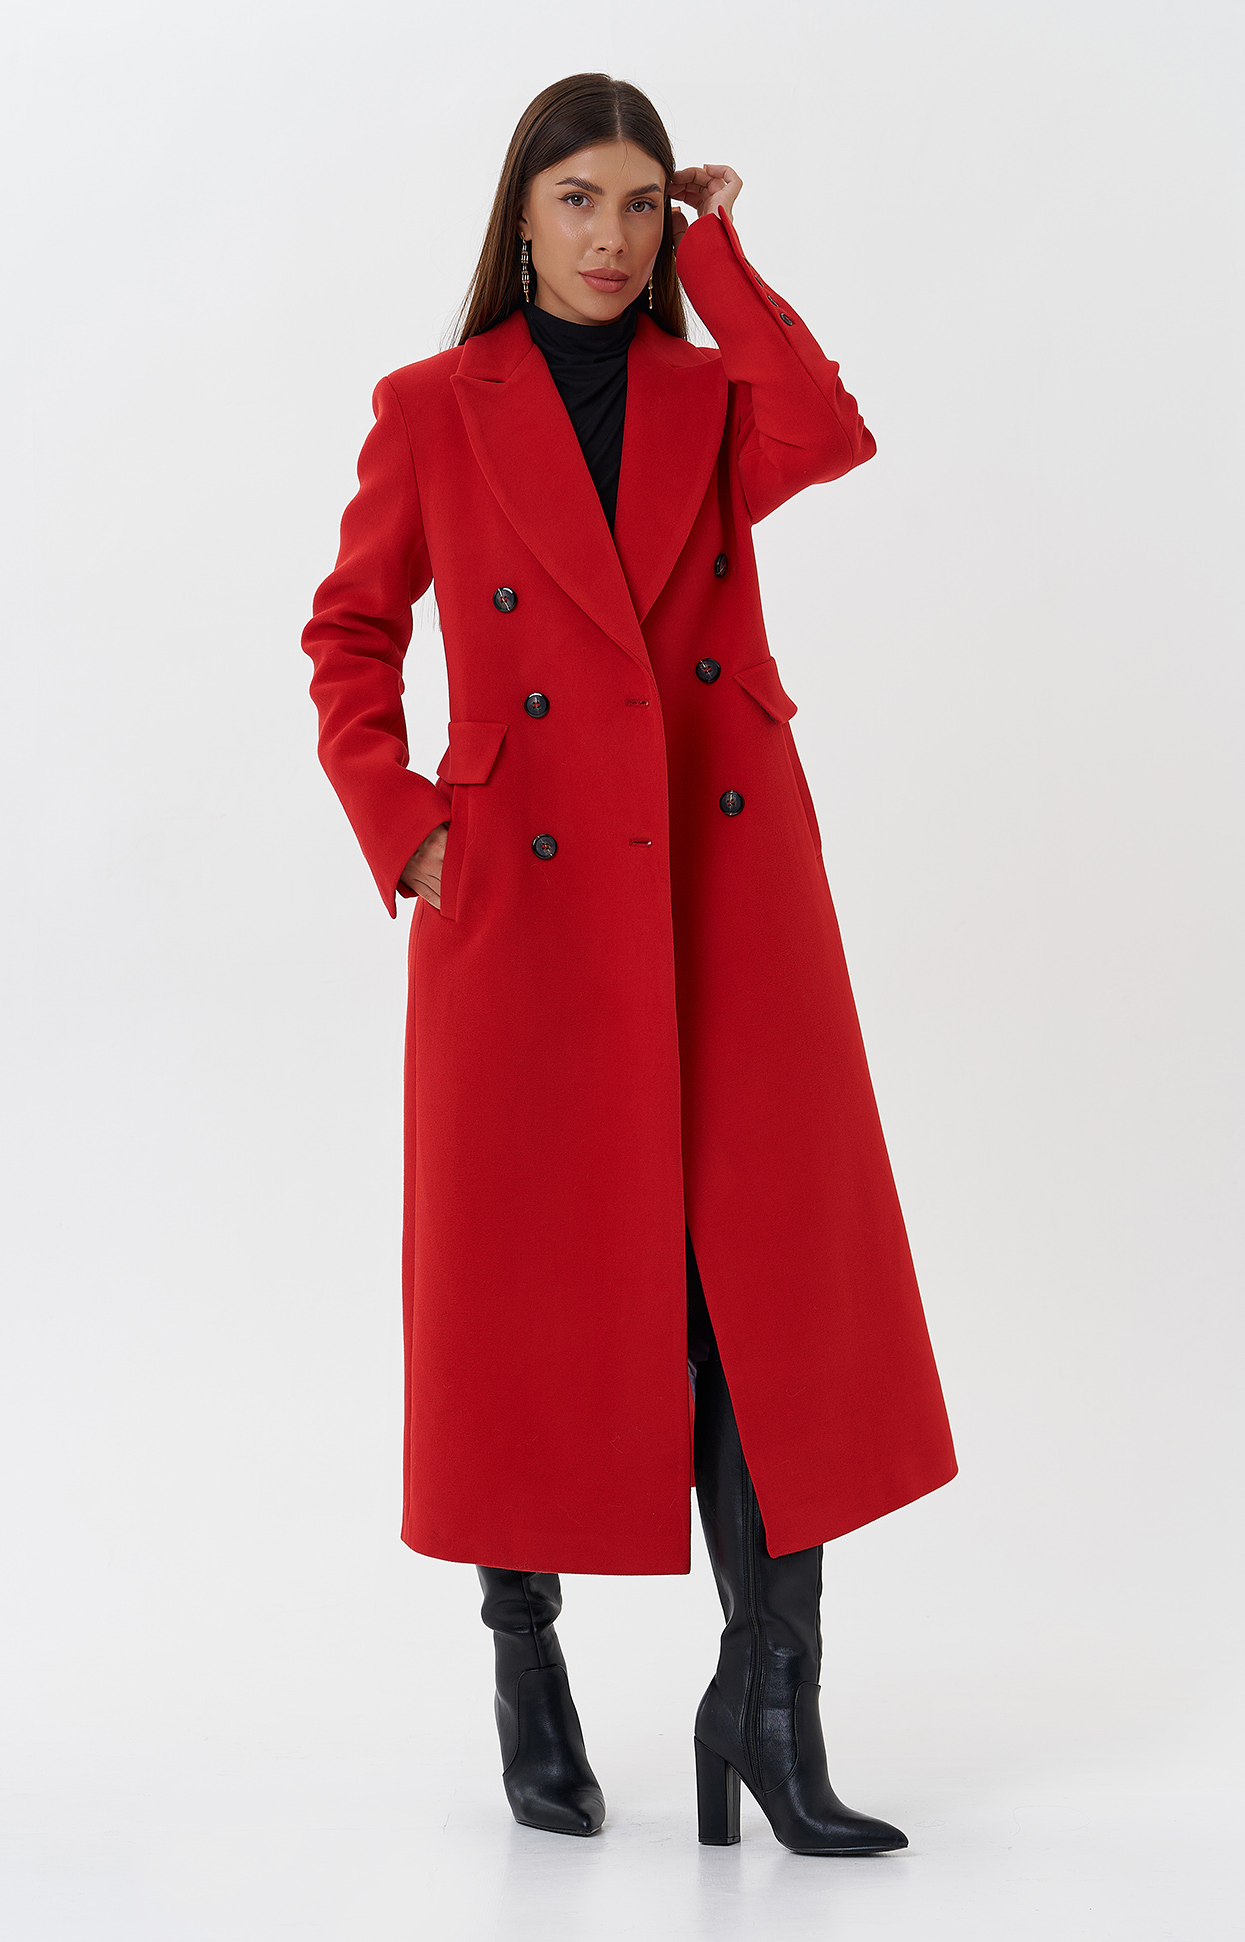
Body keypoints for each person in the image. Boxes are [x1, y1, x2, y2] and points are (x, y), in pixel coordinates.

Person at [301, 72, 957, 1856]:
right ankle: (524, 1657)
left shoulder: (709, 392)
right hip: (521, 902)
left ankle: (770, 1699)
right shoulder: (432, 406)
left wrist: (725, 259)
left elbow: (828, 433)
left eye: (641, 203)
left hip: (724, 882)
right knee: (528, 1284)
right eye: (578, 199)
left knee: (760, 1287)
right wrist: (403, 823)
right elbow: (350, 631)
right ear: (519, 216)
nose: (610, 236)